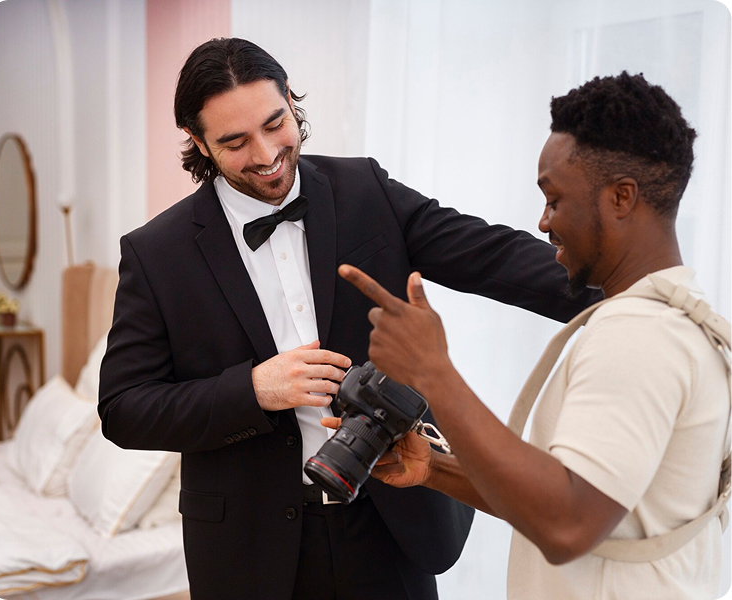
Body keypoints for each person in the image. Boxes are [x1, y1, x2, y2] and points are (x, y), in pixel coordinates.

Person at [98, 37, 600, 600]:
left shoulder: (365, 189)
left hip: (393, 522)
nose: (265, 154)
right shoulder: (156, 253)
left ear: (291, 99)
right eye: (235, 142)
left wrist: (635, 291)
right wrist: (253, 389)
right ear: (198, 142)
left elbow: (495, 257)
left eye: (275, 123)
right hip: (250, 549)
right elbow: (123, 409)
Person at [335, 72, 730, 599]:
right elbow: (576, 498)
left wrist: (433, 371)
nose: (543, 222)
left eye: (554, 199)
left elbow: (568, 524)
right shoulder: (672, 319)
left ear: (621, 198)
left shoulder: (638, 337)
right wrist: (434, 469)